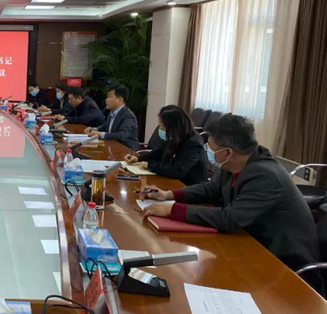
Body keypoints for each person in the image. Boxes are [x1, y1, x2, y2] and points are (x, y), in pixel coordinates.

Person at [142, 114, 321, 284]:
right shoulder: (236, 163)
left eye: (211, 148)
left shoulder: (265, 175)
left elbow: (230, 218)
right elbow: (210, 189)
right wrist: (168, 195)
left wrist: (172, 209)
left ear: (228, 152)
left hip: (283, 263)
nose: (207, 151)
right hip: (250, 243)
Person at [125, 105, 205, 186]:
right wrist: (138, 158)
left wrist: (149, 165)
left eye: (163, 127)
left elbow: (177, 171)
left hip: (187, 186)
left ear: (174, 127)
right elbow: (158, 152)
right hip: (170, 181)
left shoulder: (194, 143)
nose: (160, 130)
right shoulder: (175, 136)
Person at [85, 85, 139, 150]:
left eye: (109, 97)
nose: (106, 100)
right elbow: (105, 126)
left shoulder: (128, 115)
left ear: (120, 100)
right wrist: (94, 129)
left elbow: (122, 135)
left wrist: (100, 134)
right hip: (112, 147)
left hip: (126, 151)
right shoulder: (112, 112)